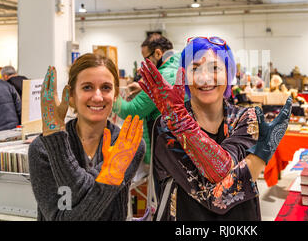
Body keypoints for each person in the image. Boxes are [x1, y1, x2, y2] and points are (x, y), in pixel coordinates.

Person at [139, 36, 292, 221]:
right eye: (194, 69)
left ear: (228, 74)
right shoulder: (167, 126)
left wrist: (181, 124)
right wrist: (258, 157)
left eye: (214, 68)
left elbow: (222, 175)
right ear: (183, 76)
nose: (204, 78)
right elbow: (213, 198)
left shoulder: (245, 118)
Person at [28, 53, 145, 220]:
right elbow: (59, 217)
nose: (97, 97)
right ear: (71, 95)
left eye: (106, 87)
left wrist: (108, 176)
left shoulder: (127, 145)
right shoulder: (43, 149)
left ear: (116, 94)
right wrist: (108, 180)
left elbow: (76, 194)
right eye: (87, 87)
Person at [112, 33, 180, 166]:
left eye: (146, 59)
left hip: (167, 150)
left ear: (158, 53)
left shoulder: (161, 77)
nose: (146, 64)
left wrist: (110, 96)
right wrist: (144, 88)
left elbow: (131, 111)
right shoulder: (181, 68)